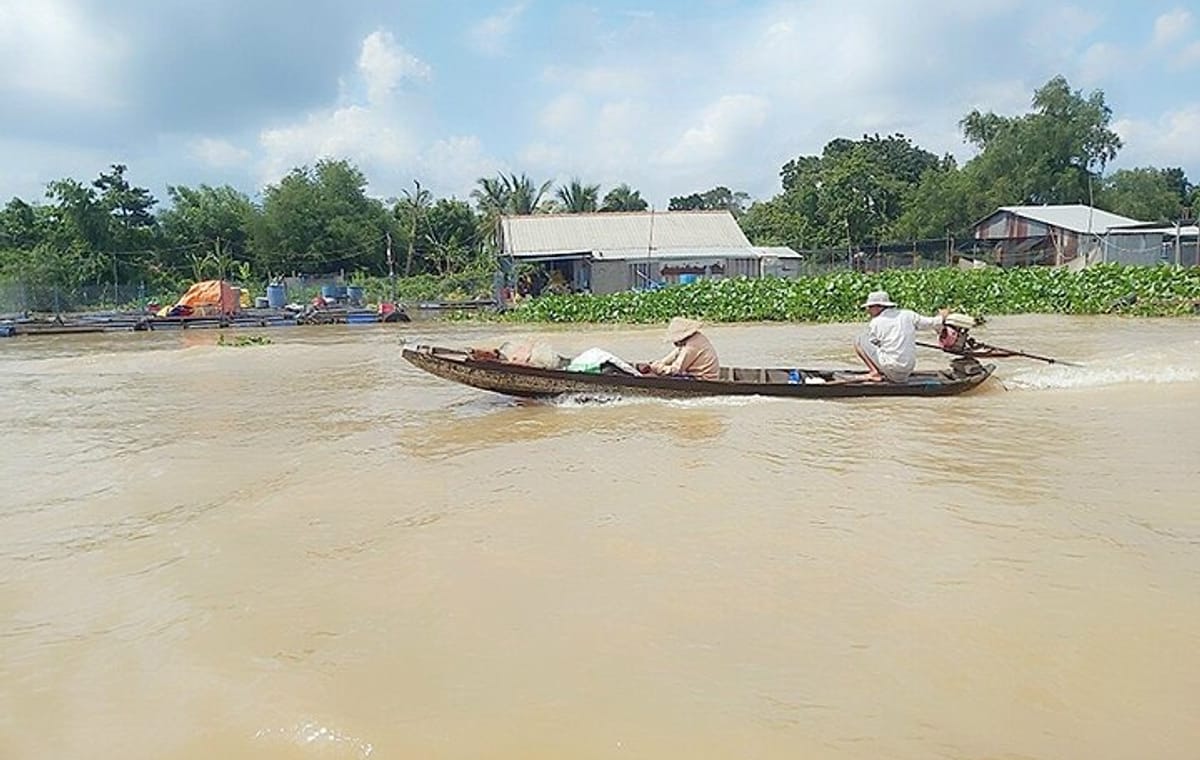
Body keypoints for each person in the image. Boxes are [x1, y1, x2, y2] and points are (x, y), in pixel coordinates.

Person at [854, 290, 948, 383]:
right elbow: (933, 322)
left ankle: (874, 372)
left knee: (859, 340)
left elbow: (874, 343)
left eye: (870, 307)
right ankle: (881, 370)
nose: (868, 310)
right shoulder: (908, 315)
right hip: (907, 370)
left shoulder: (876, 322)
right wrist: (942, 316)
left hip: (892, 369)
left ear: (879, 307)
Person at [637, 317, 720, 380]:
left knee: (663, 375)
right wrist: (656, 364)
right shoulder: (695, 338)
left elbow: (675, 370)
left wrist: (658, 368)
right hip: (699, 376)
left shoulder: (690, 347)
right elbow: (674, 355)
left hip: (702, 379)